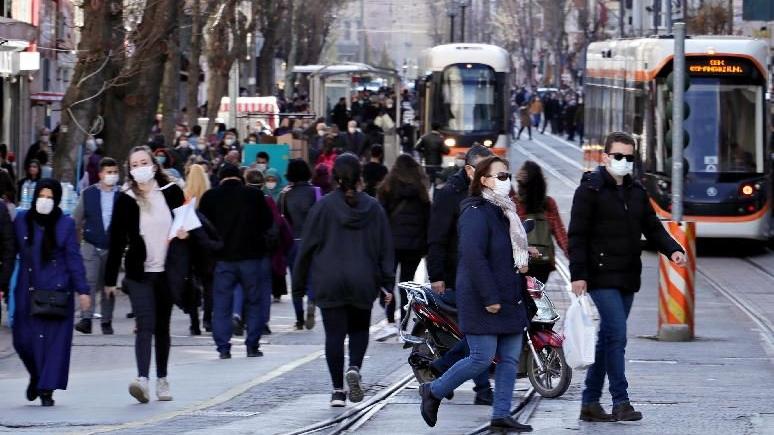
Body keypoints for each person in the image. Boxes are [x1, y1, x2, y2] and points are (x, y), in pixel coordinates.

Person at [568, 131, 687, 423]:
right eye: (618, 156)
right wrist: (578, 275)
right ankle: (621, 401)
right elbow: (577, 235)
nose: (624, 161)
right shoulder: (590, 190)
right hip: (600, 275)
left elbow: (652, 226)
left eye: (629, 157)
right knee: (617, 336)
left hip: (628, 275)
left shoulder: (636, 191)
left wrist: (673, 249)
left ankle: (589, 402)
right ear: (605, 157)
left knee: (608, 338)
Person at [419, 156, 533, 433]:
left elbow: (500, 249)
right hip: (483, 297)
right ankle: (433, 391)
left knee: (509, 359)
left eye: (508, 175)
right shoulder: (475, 211)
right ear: (484, 180)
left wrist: (524, 253)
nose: (507, 181)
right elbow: (473, 256)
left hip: (510, 295)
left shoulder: (505, 210)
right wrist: (489, 297)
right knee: (481, 357)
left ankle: (501, 415)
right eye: (501, 176)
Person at [292, 153, 394, 408]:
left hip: (329, 278)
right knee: (359, 329)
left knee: (334, 336)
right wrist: (387, 283)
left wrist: (299, 285)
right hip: (363, 278)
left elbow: (307, 248)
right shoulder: (374, 208)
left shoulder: (323, 207)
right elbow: (385, 248)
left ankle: (338, 390)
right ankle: (355, 367)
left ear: (334, 176)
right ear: (360, 175)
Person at [104, 146, 189, 404]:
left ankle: (162, 379)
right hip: (139, 273)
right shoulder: (126, 198)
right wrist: (109, 280)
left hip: (166, 271)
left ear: (153, 164)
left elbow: (187, 223)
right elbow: (116, 240)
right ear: (129, 170)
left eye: (144, 162)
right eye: (134, 164)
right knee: (145, 323)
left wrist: (185, 233)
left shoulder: (172, 192)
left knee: (162, 327)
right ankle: (142, 379)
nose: (140, 167)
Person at [426, 144, 494, 404]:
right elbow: (437, 237)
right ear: (469, 170)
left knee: (479, 333)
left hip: (484, 274)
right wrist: (436, 275)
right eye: (484, 169)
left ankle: (444, 368)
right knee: (480, 332)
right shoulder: (449, 194)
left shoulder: (488, 192)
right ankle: (481, 389)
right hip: (458, 275)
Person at [12, 179, 90, 407]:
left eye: (50, 197)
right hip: (27, 289)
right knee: (22, 339)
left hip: (56, 291)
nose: (45, 201)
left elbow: (73, 258)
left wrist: (83, 290)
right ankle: (36, 376)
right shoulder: (22, 220)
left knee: (53, 344)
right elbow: (10, 249)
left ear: (56, 200)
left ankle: (46, 389)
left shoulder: (65, 224)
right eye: (41, 196)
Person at [199, 163, 274, 359]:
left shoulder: (210, 197)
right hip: (251, 257)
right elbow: (267, 223)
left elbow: (202, 227)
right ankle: (252, 346)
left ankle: (223, 348)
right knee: (254, 302)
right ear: (239, 177)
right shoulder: (254, 195)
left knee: (222, 304)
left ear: (220, 178)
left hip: (223, 259)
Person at [374, 154, 430, 340]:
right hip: (414, 246)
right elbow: (428, 220)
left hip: (390, 245)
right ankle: (405, 326)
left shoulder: (387, 188)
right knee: (406, 284)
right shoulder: (421, 190)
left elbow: (379, 218)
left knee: (387, 283)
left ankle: (390, 321)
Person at [73, 158, 121, 335]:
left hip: (112, 246)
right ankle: (86, 318)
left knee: (109, 284)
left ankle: (106, 321)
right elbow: (76, 220)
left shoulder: (122, 195)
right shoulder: (88, 194)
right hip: (91, 244)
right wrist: (75, 244)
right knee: (89, 282)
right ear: (101, 174)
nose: (112, 175)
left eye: (115, 172)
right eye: (109, 172)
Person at [280, 159, 319, 330]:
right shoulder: (315, 192)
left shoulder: (285, 194)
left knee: (296, 280)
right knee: (311, 277)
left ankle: (299, 319)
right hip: (312, 240)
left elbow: (282, 220)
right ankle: (311, 299)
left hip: (293, 241)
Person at [514, 161, 569, 284]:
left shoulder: (515, 204)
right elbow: (560, 233)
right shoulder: (549, 203)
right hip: (543, 261)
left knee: (522, 293)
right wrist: (573, 258)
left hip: (521, 261)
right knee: (537, 293)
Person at [183, 164, 213, 335]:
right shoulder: (209, 196)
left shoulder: (185, 196)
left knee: (192, 284)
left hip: (189, 245)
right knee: (209, 284)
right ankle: (208, 319)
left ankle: (194, 323)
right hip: (206, 247)